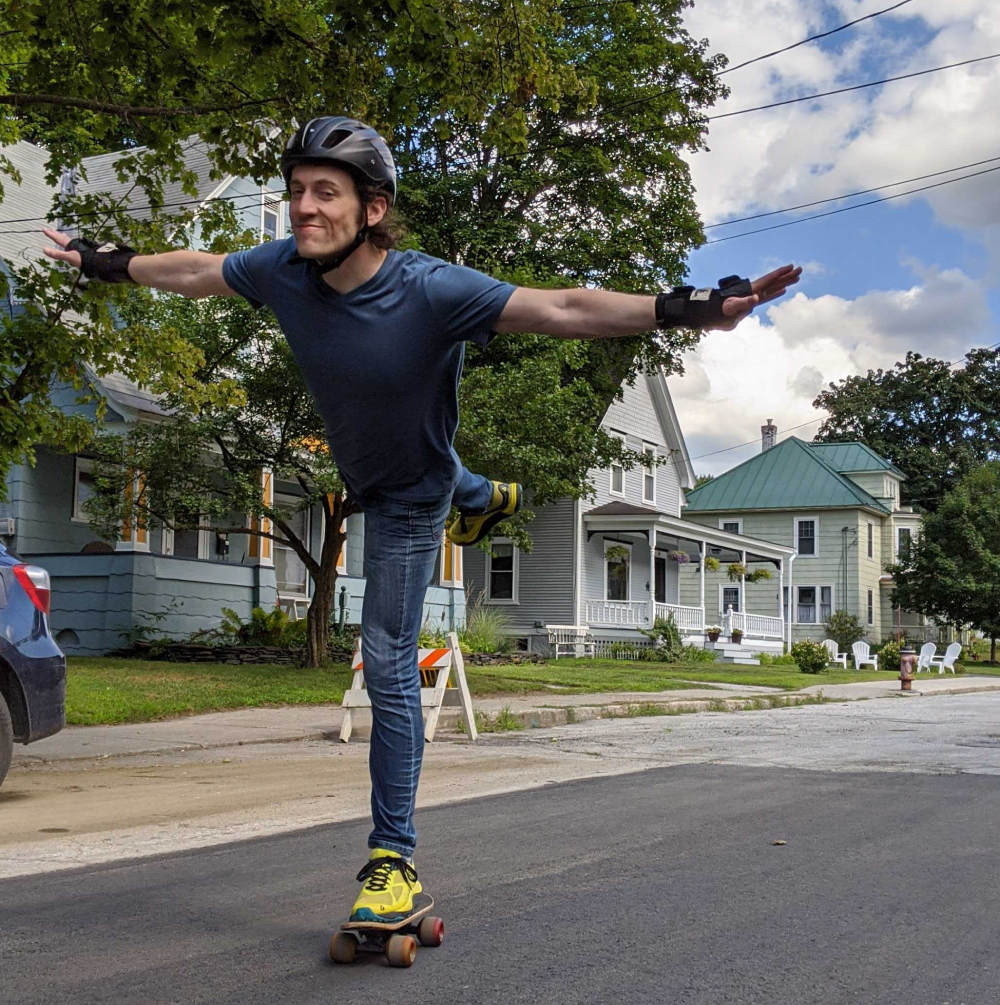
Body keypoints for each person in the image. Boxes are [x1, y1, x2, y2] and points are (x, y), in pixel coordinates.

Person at [43, 116, 800, 926]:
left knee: (387, 659)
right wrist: (104, 262)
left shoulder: (431, 288)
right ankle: (482, 498)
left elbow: (567, 306)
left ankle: (392, 860)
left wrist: (686, 308)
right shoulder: (280, 270)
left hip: (404, 507)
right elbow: (195, 269)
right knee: (439, 473)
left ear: (372, 209)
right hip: (377, 471)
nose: (302, 209)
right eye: (296, 191)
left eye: (323, 194)